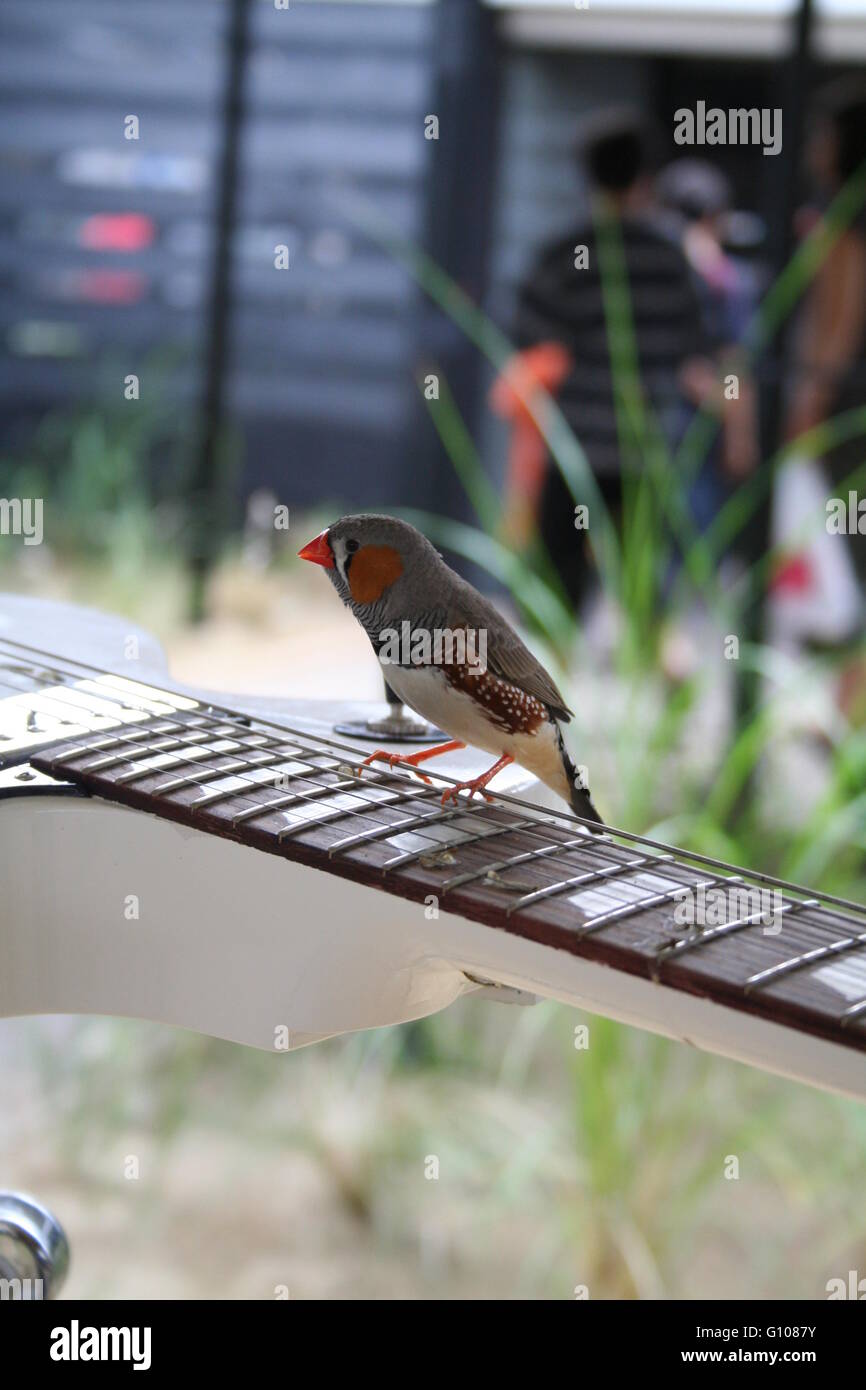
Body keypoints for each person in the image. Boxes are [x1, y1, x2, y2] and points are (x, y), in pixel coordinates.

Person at [495, 108, 706, 609]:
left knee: (554, 598)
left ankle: (553, 686)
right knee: (644, 600)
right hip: (646, 454)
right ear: (645, 174)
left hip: (572, 452)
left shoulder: (562, 254)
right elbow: (695, 355)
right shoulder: (670, 260)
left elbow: (529, 345)